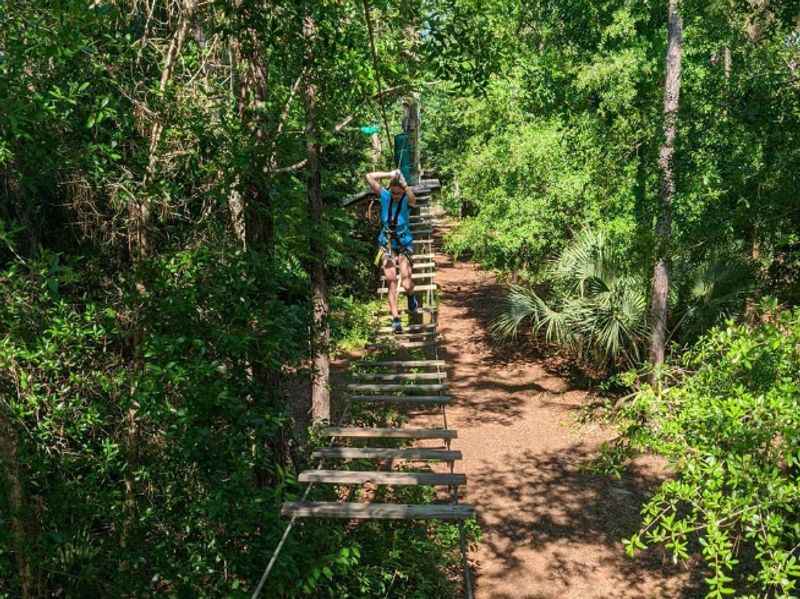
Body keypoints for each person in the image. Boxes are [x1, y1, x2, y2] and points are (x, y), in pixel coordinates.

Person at [365, 168, 419, 334]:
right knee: (391, 280)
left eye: (398, 193)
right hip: (387, 243)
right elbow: (369, 176)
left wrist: (403, 182)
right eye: (393, 192)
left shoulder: (405, 199)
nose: (395, 196)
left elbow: (413, 200)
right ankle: (396, 319)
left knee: (406, 281)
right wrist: (389, 174)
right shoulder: (385, 196)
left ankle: (411, 296)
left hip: (403, 243)